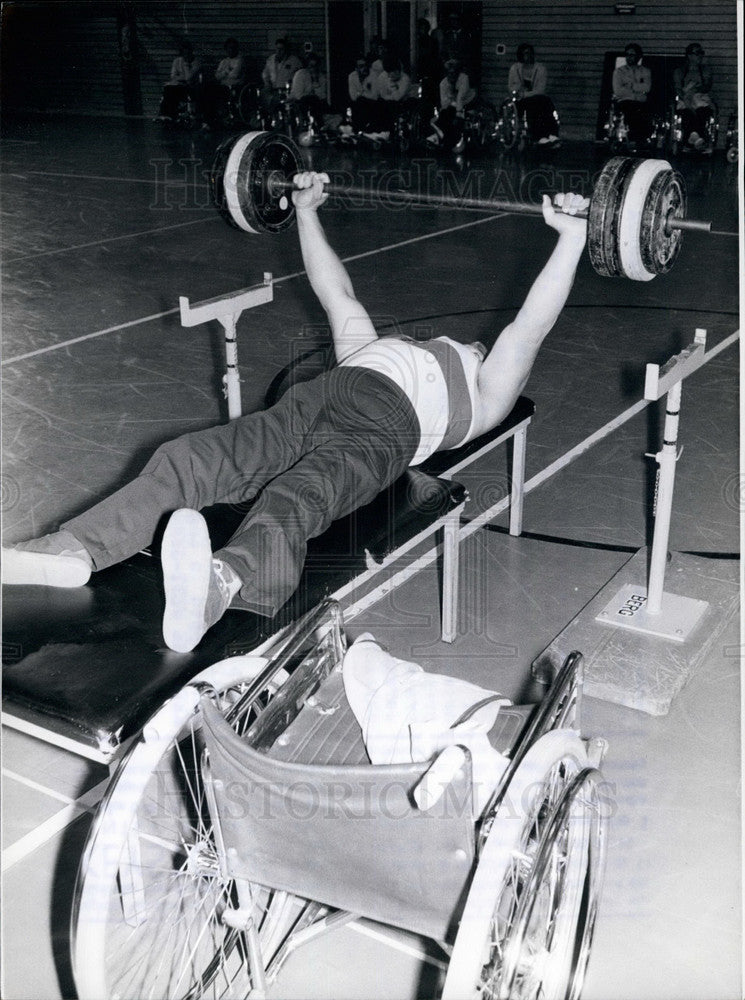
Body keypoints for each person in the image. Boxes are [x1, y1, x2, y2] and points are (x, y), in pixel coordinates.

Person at [2, 174, 590, 655]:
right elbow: (336, 290)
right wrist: (307, 210)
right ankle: (74, 550)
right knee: (191, 457)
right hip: (318, 396)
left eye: (481, 349)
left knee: (297, 497)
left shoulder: (484, 398)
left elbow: (530, 327)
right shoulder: (378, 347)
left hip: (384, 435)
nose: (474, 343)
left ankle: (216, 587)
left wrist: (570, 239)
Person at [507, 43, 560, 145]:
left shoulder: (541, 69)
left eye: (530, 53)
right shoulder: (515, 68)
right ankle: (539, 135)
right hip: (520, 100)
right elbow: (510, 86)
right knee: (535, 104)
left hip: (535, 98)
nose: (529, 56)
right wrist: (518, 92)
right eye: (526, 53)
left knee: (545, 102)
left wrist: (525, 94)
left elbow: (541, 90)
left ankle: (552, 134)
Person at [673, 43, 715, 151]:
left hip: (700, 99)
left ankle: (692, 139)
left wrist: (696, 90)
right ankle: (696, 140)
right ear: (689, 56)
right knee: (687, 113)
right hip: (685, 99)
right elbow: (678, 88)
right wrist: (686, 99)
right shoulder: (680, 71)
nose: (700, 56)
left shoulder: (705, 70)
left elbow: (707, 86)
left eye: (702, 53)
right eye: (697, 53)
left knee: (702, 112)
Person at [428, 57, 476, 150]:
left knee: (456, 118)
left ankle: (449, 139)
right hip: (453, 104)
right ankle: (441, 136)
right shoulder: (443, 84)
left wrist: (458, 112)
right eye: (449, 73)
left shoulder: (464, 78)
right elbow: (444, 101)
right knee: (445, 115)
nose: (452, 75)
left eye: (454, 73)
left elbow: (461, 96)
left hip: (468, 100)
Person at [612, 43, 652, 148]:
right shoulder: (619, 72)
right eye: (627, 55)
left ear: (638, 56)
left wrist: (629, 85)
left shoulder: (645, 71)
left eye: (632, 55)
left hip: (641, 102)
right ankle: (633, 139)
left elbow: (647, 87)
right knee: (631, 110)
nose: (629, 57)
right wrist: (637, 89)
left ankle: (643, 140)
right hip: (624, 101)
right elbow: (618, 91)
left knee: (646, 112)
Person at [199, 37, 245, 129]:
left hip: (235, 87)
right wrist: (227, 71)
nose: (230, 50)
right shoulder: (224, 61)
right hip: (223, 86)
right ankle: (208, 119)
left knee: (213, 91)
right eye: (228, 48)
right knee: (206, 90)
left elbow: (234, 75)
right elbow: (217, 76)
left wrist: (224, 73)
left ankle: (212, 119)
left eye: (233, 48)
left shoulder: (240, 60)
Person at [156, 40, 201, 122]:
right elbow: (173, 76)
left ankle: (169, 113)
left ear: (191, 52)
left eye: (188, 53)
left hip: (190, 88)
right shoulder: (177, 61)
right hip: (178, 85)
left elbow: (188, 78)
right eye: (184, 53)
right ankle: (166, 114)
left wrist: (186, 64)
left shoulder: (196, 62)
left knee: (172, 90)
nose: (186, 56)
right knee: (168, 89)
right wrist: (182, 78)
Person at [375, 54, 412, 136]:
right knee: (379, 104)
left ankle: (388, 131)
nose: (390, 74)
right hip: (386, 102)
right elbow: (382, 94)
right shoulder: (382, 77)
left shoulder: (405, 79)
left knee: (392, 105)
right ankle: (378, 130)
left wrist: (393, 85)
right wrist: (389, 97)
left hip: (402, 104)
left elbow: (397, 98)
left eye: (394, 71)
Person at [261, 36, 302, 111]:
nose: (279, 51)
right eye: (277, 49)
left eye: (281, 49)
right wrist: (267, 83)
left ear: (286, 49)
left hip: (287, 92)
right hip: (273, 91)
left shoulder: (294, 61)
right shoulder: (271, 60)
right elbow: (265, 73)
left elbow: (300, 76)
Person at [290, 52, 328, 121]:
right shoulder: (300, 74)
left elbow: (322, 96)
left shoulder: (321, 76)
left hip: (315, 102)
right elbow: (298, 95)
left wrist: (315, 81)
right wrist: (310, 95)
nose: (313, 68)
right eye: (311, 66)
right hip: (300, 102)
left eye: (315, 66)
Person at [347, 55, 378, 133]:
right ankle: (358, 130)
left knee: (362, 101)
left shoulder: (373, 75)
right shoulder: (352, 76)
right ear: (356, 68)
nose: (364, 68)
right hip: (358, 104)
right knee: (358, 103)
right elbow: (353, 96)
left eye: (365, 65)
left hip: (372, 104)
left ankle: (363, 129)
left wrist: (361, 93)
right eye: (361, 66)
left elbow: (374, 96)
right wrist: (364, 93)